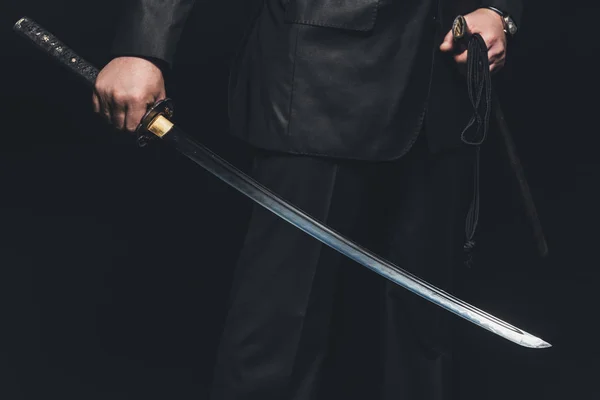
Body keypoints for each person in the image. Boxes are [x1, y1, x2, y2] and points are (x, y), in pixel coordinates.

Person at [93, 0, 522, 399]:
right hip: (320, 84)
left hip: (444, 84)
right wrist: (143, 46)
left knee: (423, 341)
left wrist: (496, 8)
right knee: (279, 334)